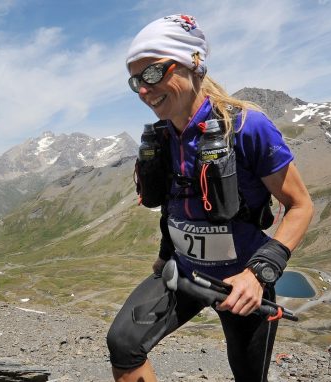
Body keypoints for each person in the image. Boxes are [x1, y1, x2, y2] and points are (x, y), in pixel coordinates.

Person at [106, 14, 314, 382]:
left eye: (153, 74)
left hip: (242, 282)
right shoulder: (162, 137)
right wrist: (165, 254)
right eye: (135, 80)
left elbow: (300, 206)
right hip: (181, 272)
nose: (143, 90)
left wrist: (256, 275)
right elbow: (176, 202)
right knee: (124, 343)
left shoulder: (249, 127)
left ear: (194, 63)